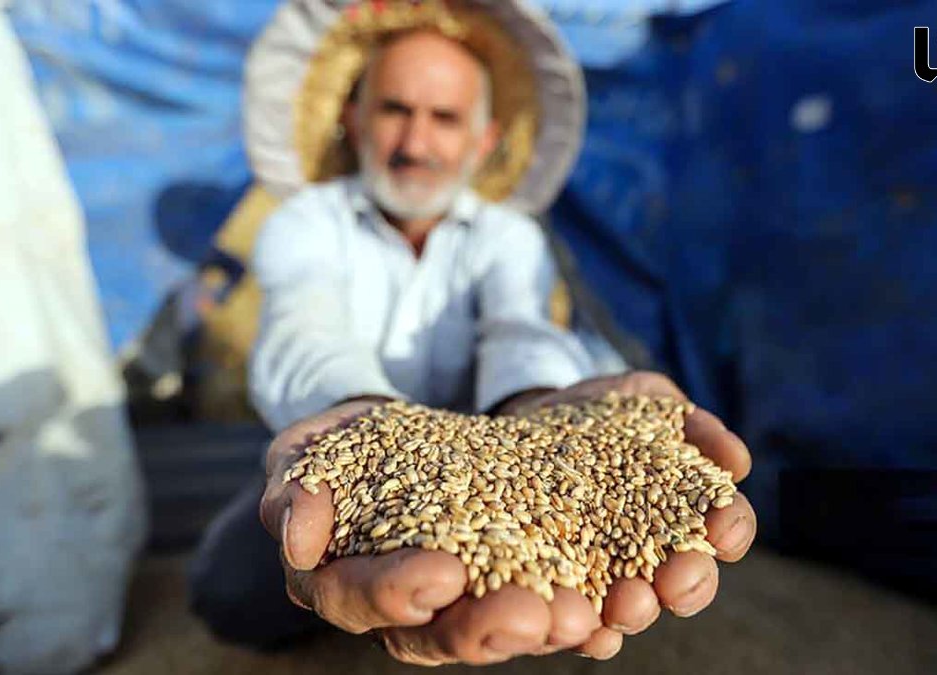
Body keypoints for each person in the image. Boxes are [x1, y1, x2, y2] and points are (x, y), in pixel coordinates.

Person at [189, 0, 756, 665]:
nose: (416, 142)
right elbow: (302, 329)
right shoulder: (307, 223)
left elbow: (519, 324)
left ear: (482, 139)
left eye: (445, 118)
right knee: (227, 589)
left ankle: (460, 604)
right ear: (353, 117)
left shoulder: (505, 236)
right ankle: (361, 614)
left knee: (533, 588)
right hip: (335, 454)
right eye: (395, 109)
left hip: (497, 460)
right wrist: (361, 417)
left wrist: (538, 399)